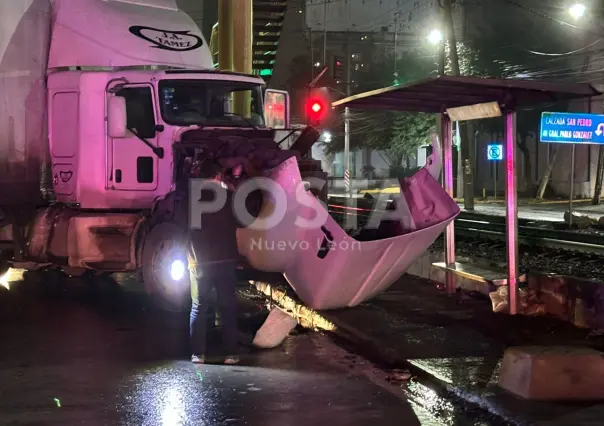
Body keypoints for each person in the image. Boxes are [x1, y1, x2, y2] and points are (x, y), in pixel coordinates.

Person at [188, 167, 242, 365]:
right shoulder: (229, 198)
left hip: (200, 262)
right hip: (225, 260)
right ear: (218, 175)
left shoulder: (193, 198)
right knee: (227, 306)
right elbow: (243, 221)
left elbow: (186, 230)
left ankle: (198, 354)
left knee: (198, 307)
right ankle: (230, 354)